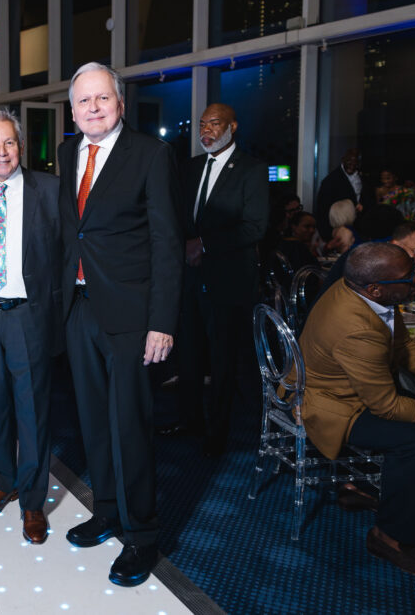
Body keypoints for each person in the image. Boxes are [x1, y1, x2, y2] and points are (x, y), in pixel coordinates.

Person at [57, 62, 183, 587]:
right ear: (72, 110)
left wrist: (162, 323)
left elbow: (166, 243)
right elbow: (74, 232)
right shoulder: (68, 153)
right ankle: (106, 510)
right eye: (83, 101)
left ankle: (142, 536)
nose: (92, 108)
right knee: (92, 420)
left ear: (120, 103)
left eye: (101, 99)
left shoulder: (150, 155)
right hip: (79, 308)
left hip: (133, 317)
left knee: (130, 425)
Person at [299, 242, 415, 579]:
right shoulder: (355, 326)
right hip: (334, 406)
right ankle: (388, 538)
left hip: (353, 389)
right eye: (408, 276)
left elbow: (404, 348)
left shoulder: (367, 295)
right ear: (375, 288)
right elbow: (386, 407)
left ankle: (372, 493)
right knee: (413, 440)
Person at [0, 109, 61, 543]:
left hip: (28, 316)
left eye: (10, 143)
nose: (3, 152)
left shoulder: (51, 190)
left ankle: (33, 502)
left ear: (21, 147)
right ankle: (3, 482)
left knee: (33, 411)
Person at [169, 103, 268, 457]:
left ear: (233, 126)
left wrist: (204, 244)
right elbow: (180, 217)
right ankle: (189, 420)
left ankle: (217, 431)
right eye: (202, 124)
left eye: (214, 123)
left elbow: (255, 226)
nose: (206, 130)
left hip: (228, 281)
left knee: (223, 358)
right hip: (190, 278)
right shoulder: (191, 167)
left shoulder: (252, 170)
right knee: (190, 353)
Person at [320, 220, 415, 296]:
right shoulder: (368, 256)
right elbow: (378, 293)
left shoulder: (393, 256)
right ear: (396, 245)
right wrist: (413, 279)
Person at [315, 148, 366, 239]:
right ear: (343, 160)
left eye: (355, 162)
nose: (352, 164)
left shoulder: (364, 178)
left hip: (360, 229)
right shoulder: (330, 181)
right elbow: (322, 210)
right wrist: (328, 236)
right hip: (338, 230)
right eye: (349, 161)